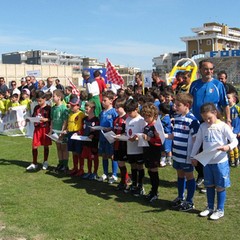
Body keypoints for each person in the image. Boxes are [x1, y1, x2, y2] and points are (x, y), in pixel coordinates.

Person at [190, 103, 238, 220]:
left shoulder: (223, 126)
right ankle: (210, 207)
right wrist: (193, 156)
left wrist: (227, 147)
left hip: (220, 162)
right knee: (209, 185)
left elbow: (234, 140)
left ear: (215, 113)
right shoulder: (203, 127)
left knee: (220, 186)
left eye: (209, 118)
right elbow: (198, 142)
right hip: (207, 162)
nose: (207, 120)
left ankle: (220, 210)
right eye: (205, 118)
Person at [189, 59, 231, 189]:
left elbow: (225, 105)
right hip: (196, 122)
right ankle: (202, 175)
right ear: (200, 70)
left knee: (210, 149)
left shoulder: (218, 85)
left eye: (211, 69)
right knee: (196, 149)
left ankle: (212, 177)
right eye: (206, 69)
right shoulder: (194, 85)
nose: (209, 71)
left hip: (212, 123)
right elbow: (189, 102)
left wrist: (228, 120)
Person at [168, 93, 200, 211]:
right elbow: (174, 135)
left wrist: (194, 155)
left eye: (178, 105)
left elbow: (196, 139)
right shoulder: (177, 118)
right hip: (177, 154)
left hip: (187, 156)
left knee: (189, 176)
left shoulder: (192, 120)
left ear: (186, 105)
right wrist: (164, 135)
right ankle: (180, 197)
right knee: (180, 175)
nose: (175, 107)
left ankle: (190, 201)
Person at [124, 98, 146, 196]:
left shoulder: (141, 120)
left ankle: (141, 186)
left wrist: (137, 138)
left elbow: (144, 134)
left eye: (130, 112)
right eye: (127, 112)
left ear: (136, 109)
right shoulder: (128, 119)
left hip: (139, 148)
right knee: (132, 166)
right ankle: (134, 184)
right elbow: (127, 132)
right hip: (130, 147)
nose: (129, 114)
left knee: (139, 166)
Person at [141, 102, 161, 202]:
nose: (145, 119)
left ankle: (155, 192)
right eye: (144, 117)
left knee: (153, 171)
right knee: (149, 170)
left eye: (147, 117)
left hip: (154, 152)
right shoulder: (147, 126)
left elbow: (160, 141)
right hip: (147, 150)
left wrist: (150, 139)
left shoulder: (157, 126)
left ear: (154, 116)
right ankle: (152, 191)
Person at [26, 91, 52, 171]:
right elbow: (34, 116)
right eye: (37, 100)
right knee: (34, 145)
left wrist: (46, 119)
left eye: (40, 100)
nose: (39, 102)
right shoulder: (36, 107)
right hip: (37, 129)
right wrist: (29, 119)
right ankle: (34, 163)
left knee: (45, 145)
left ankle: (45, 161)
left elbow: (51, 119)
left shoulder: (48, 108)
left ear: (44, 99)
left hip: (45, 129)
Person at [97, 90, 118, 183]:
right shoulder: (102, 112)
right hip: (102, 137)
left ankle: (114, 175)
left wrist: (111, 129)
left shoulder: (114, 112)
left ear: (111, 100)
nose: (102, 102)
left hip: (111, 137)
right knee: (104, 155)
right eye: (102, 100)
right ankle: (105, 173)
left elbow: (117, 124)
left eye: (104, 100)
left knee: (112, 156)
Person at [50, 89, 69, 173]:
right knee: (58, 148)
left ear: (59, 97)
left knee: (64, 148)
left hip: (62, 133)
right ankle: (60, 163)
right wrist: (51, 130)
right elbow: (52, 120)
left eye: (54, 96)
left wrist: (62, 132)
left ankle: (65, 165)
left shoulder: (63, 108)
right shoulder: (53, 108)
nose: (52, 98)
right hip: (55, 131)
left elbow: (65, 121)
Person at [66, 94, 85, 176]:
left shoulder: (81, 114)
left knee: (79, 152)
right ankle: (75, 167)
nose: (72, 107)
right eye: (71, 105)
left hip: (77, 135)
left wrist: (79, 132)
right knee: (73, 152)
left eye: (74, 105)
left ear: (78, 106)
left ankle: (81, 169)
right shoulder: (70, 113)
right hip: (70, 134)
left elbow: (83, 125)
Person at [80, 101, 100, 180]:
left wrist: (93, 135)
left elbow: (98, 131)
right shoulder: (84, 119)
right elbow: (82, 129)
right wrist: (78, 134)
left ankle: (95, 172)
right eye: (85, 108)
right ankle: (89, 171)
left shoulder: (96, 120)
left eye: (87, 108)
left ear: (92, 109)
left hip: (93, 142)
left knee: (94, 157)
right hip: (85, 141)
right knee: (88, 157)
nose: (86, 110)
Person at [113, 97, 129, 189]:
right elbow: (115, 130)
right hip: (116, 144)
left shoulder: (127, 118)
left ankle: (124, 181)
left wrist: (121, 135)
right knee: (119, 163)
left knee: (122, 163)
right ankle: (125, 180)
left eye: (118, 107)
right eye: (115, 107)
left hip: (124, 145)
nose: (116, 109)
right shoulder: (116, 119)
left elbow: (128, 131)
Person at [226, 92, 240, 166]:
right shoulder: (226, 108)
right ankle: (232, 159)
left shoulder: (237, 108)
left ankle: (236, 159)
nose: (227, 99)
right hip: (229, 129)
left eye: (228, 98)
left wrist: (239, 130)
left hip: (236, 129)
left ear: (234, 99)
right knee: (230, 144)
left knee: (234, 144)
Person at [159, 102, 173, 167]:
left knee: (167, 149)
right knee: (163, 148)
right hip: (163, 135)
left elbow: (162, 124)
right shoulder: (163, 116)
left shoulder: (166, 118)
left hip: (167, 136)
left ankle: (169, 160)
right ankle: (163, 160)